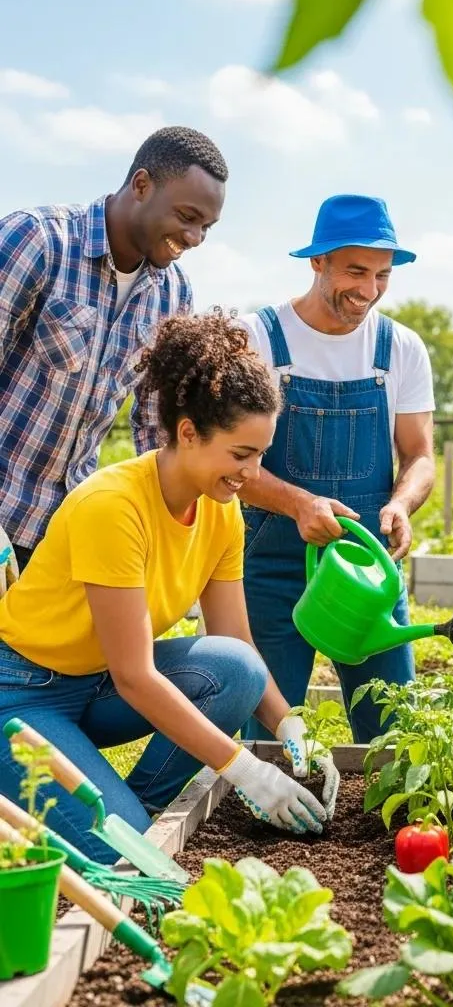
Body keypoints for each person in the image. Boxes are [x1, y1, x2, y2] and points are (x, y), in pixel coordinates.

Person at [0, 312, 339, 865]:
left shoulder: (220, 512)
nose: (253, 473)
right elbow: (136, 677)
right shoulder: (113, 507)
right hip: (20, 695)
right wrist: (244, 769)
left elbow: (237, 643)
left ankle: (139, 817)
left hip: (95, 687)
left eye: (260, 454)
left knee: (237, 669)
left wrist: (291, 724)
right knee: (126, 854)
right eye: (240, 454)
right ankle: (118, 833)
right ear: (187, 433)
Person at [235, 194, 435, 744]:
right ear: (317, 261)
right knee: (267, 729)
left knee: (391, 728)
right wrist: (298, 503)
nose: (368, 290)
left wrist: (400, 503)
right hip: (274, 567)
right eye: (355, 271)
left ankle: (386, 831)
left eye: (382, 275)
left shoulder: (401, 348)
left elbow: (419, 454)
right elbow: (229, 463)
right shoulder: (257, 339)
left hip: (368, 567)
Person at [0, 126, 228, 574]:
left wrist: (162, 536)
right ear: (142, 185)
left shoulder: (173, 296)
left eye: (206, 226)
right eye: (187, 216)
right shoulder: (39, 241)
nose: (196, 237)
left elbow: (155, 428)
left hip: (60, 537)